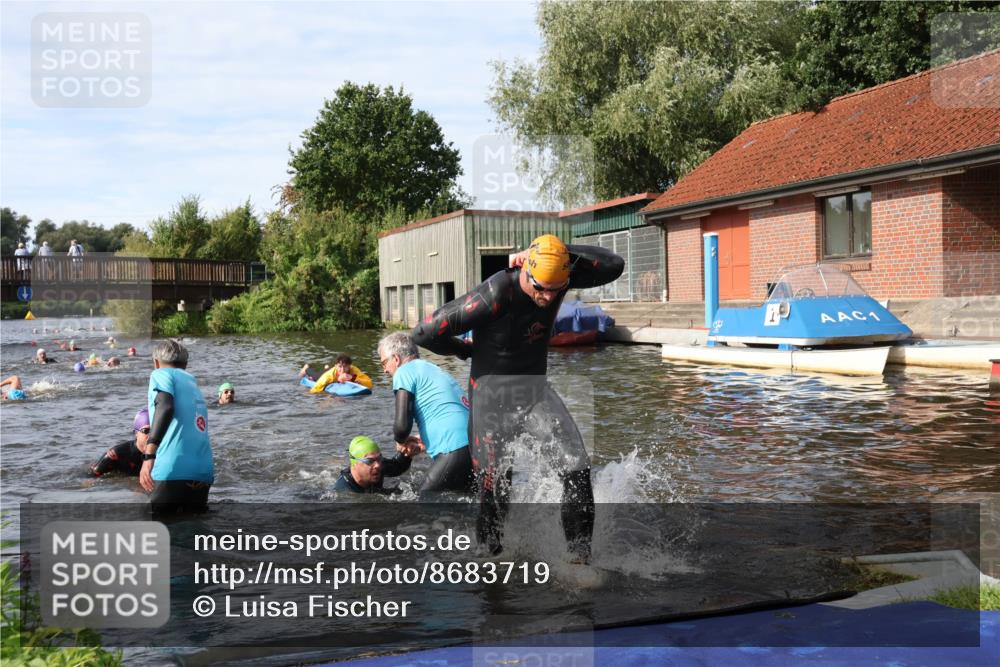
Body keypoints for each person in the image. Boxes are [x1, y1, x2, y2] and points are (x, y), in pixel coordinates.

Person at [412, 234, 624, 561]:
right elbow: (424, 332)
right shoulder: (498, 292)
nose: (547, 297)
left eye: (556, 289)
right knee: (496, 486)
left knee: (577, 468)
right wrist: (463, 351)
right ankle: (489, 561)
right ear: (526, 271)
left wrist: (559, 252)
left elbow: (614, 265)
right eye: (540, 288)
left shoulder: (557, 276)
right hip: (491, 401)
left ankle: (579, 562)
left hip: (534, 392)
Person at [378, 332, 473, 494]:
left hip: (455, 447)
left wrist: (401, 441)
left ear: (396, 359)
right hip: (476, 443)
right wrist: (426, 440)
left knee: (425, 503)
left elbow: (402, 427)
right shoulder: (433, 368)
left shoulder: (404, 372)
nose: (385, 370)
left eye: (384, 363)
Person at [141, 339, 214, 513]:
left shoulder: (160, 374)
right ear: (186, 364)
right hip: (203, 471)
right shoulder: (192, 382)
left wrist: (149, 455)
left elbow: (165, 406)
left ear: (156, 362)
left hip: (172, 468)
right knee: (194, 533)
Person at [334, 436, 412, 495]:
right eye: (369, 461)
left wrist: (408, 451)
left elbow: (398, 466)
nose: (377, 465)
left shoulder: (379, 464)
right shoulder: (343, 491)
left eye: (379, 458)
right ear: (354, 464)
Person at [89, 409, 149, 477]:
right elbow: (90, 480)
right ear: (136, 433)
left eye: (156, 431)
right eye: (146, 431)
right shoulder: (116, 455)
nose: (152, 435)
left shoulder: (162, 453)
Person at [301, 353, 373, 394]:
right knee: (316, 376)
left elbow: (369, 383)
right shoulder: (329, 375)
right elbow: (316, 387)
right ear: (336, 366)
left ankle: (326, 367)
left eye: (345, 367)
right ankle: (306, 368)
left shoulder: (353, 370)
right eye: (340, 367)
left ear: (350, 366)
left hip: (330, 370)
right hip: (326, 373)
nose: (342, 370)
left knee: (327, 370)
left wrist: (353, 378)